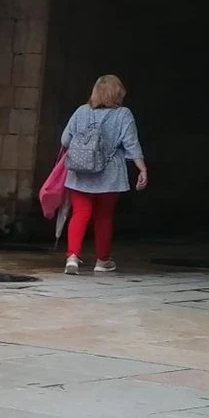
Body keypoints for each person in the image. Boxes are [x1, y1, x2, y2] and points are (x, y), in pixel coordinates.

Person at [58, 74, 147, 274]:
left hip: (80, 172)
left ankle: (72, 257)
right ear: (117, 93)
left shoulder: (81, 111)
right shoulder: (123, 114)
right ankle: (102, 261)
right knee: (104, 217)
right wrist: (142, 168)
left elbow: (65, 140)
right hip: (110, 173)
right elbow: (131, 143)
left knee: (80, 213)